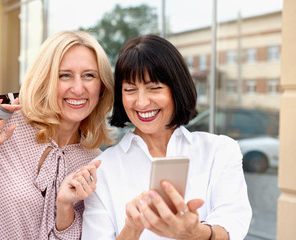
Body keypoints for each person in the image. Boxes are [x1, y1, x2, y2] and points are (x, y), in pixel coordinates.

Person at [0, 31, 114, 239]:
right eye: (65, 75)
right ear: (45, 80)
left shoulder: (94, 161)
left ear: (101, 87)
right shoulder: (4, 124)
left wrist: (65, 208)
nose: (79, 88)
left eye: (89, 75)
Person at [82, 34, 252, 239]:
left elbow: (233, 222)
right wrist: (133, 228)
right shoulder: (102, 169)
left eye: (154, 88)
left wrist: (197, 233)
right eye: (130, 89)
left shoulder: (219, 150)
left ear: (176, 89)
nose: (142, 102)